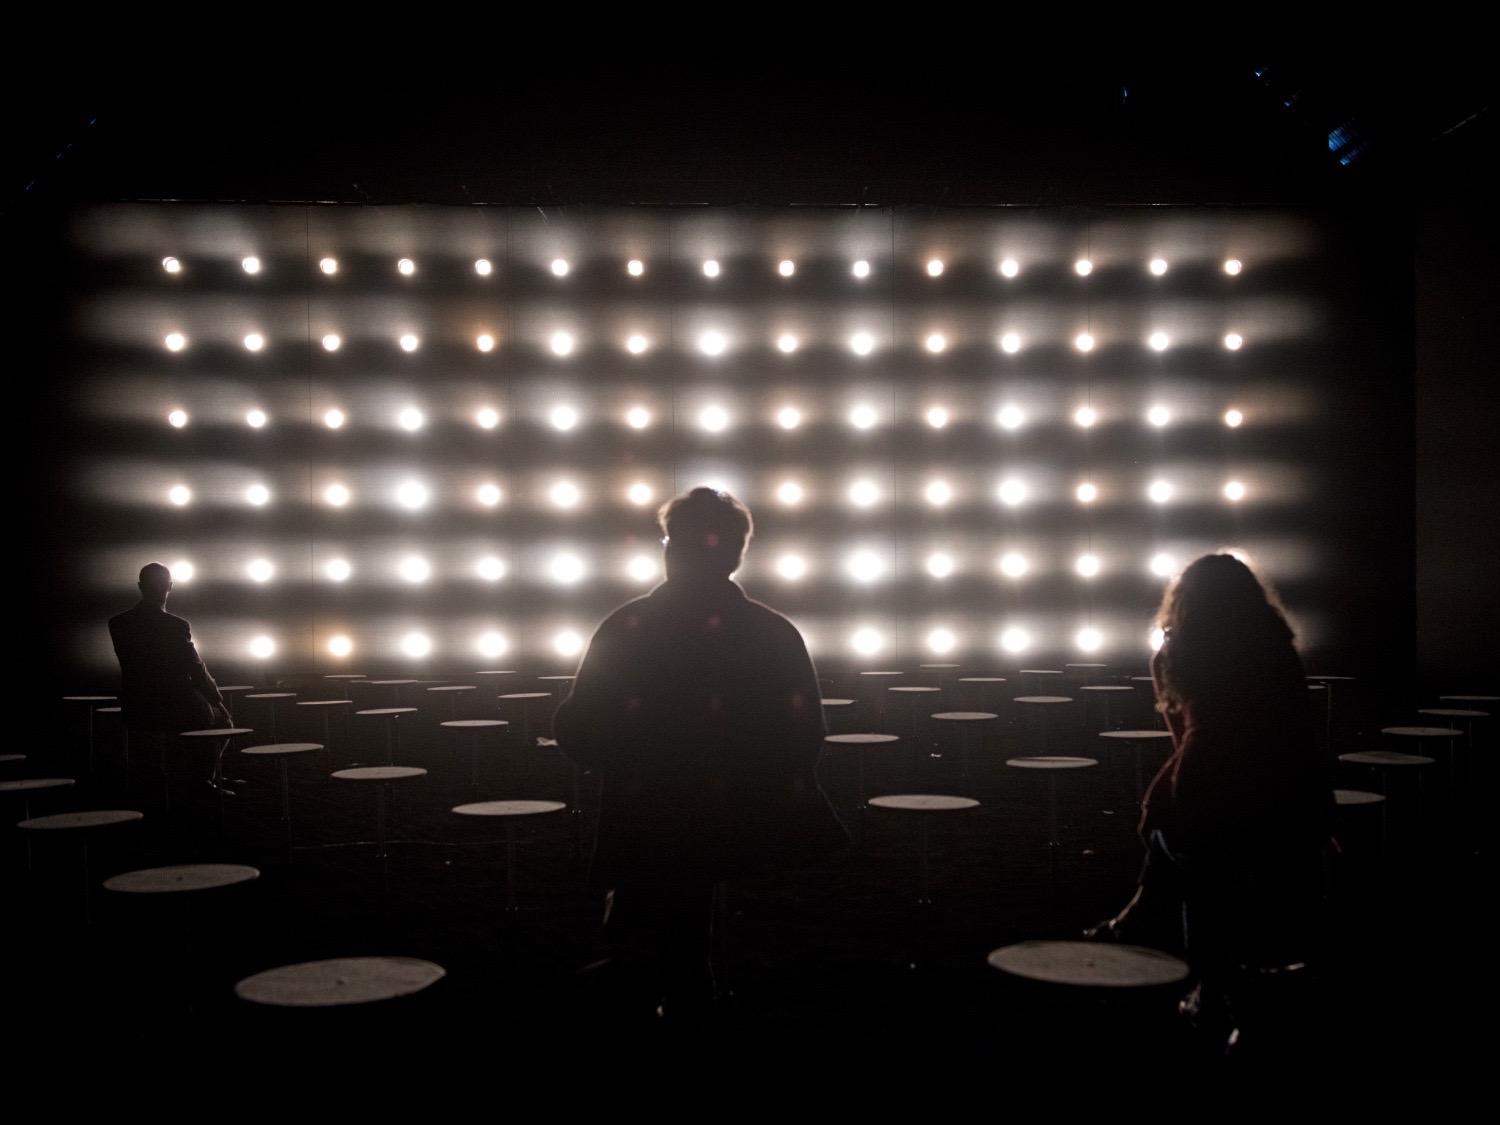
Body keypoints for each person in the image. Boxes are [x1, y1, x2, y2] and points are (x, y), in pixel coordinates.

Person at [552, 486, 849, 1037]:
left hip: (646, 816)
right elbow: (804, 735)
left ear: (670, 549)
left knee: (642, 940)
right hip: (737, 820)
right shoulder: (773, 633)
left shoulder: (627, 627)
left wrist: (636, 766)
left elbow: (577, 726)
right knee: (692, 937)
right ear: (737, 553)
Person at [1087, 552, 1337, 1053]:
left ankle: (1209, 988)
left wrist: (1162, 796)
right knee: (1220, 850)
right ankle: (1282, 979)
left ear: (1184, 602)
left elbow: (1184, 740)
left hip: (1209, 786)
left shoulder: (1174, 655)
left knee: (1194, 861)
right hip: (1279, 789)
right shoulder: (1278, 649)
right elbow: (1299, 733)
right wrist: (1316, 809)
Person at [108, 562, 232, 734]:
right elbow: (195, 668)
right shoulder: (176, 625)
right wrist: (216, 701)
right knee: (224, 724)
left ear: (140, 586)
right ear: (170, 586)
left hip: (136, 709)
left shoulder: (117, 624)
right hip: (175, 708)